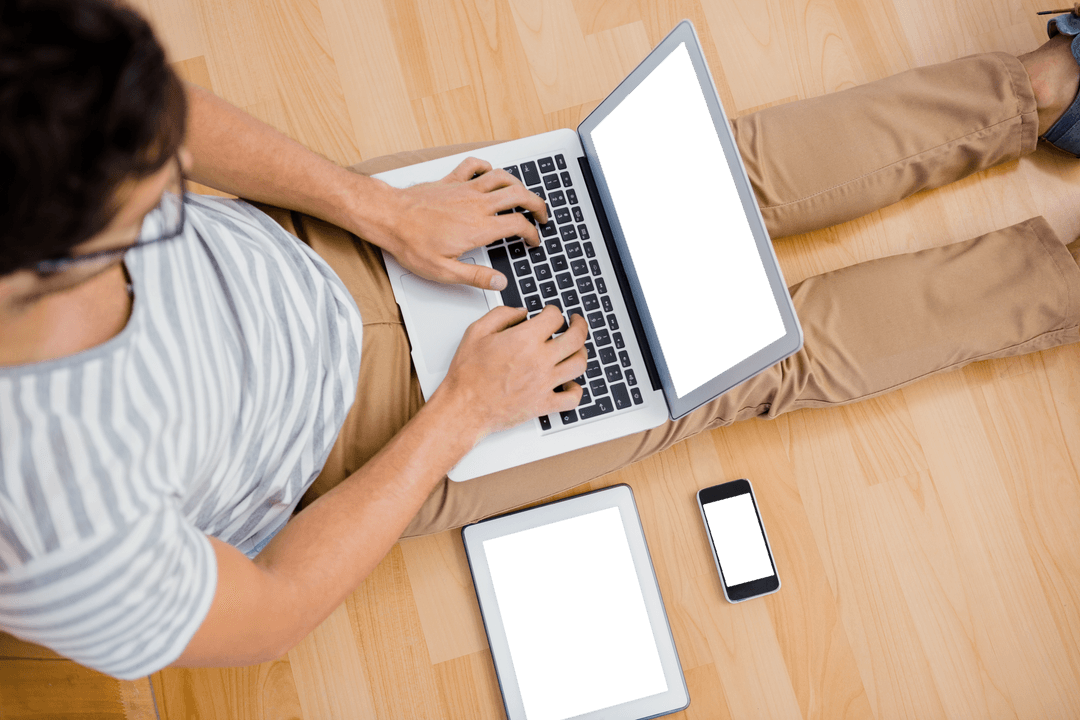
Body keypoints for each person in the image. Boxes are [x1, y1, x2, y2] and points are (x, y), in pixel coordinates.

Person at [2, 0, 1080, 680]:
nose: (174, 170)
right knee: (739, 362)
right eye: (152, 202)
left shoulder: (35, 115)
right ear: (44, 263)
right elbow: (267, 615)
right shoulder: (53, 529)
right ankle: (1061, 280)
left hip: (321, 236)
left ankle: (1047, 90)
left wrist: (380, 209)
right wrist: (463, 410)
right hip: (361, 442)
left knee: (693, 184)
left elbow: (154, 118)